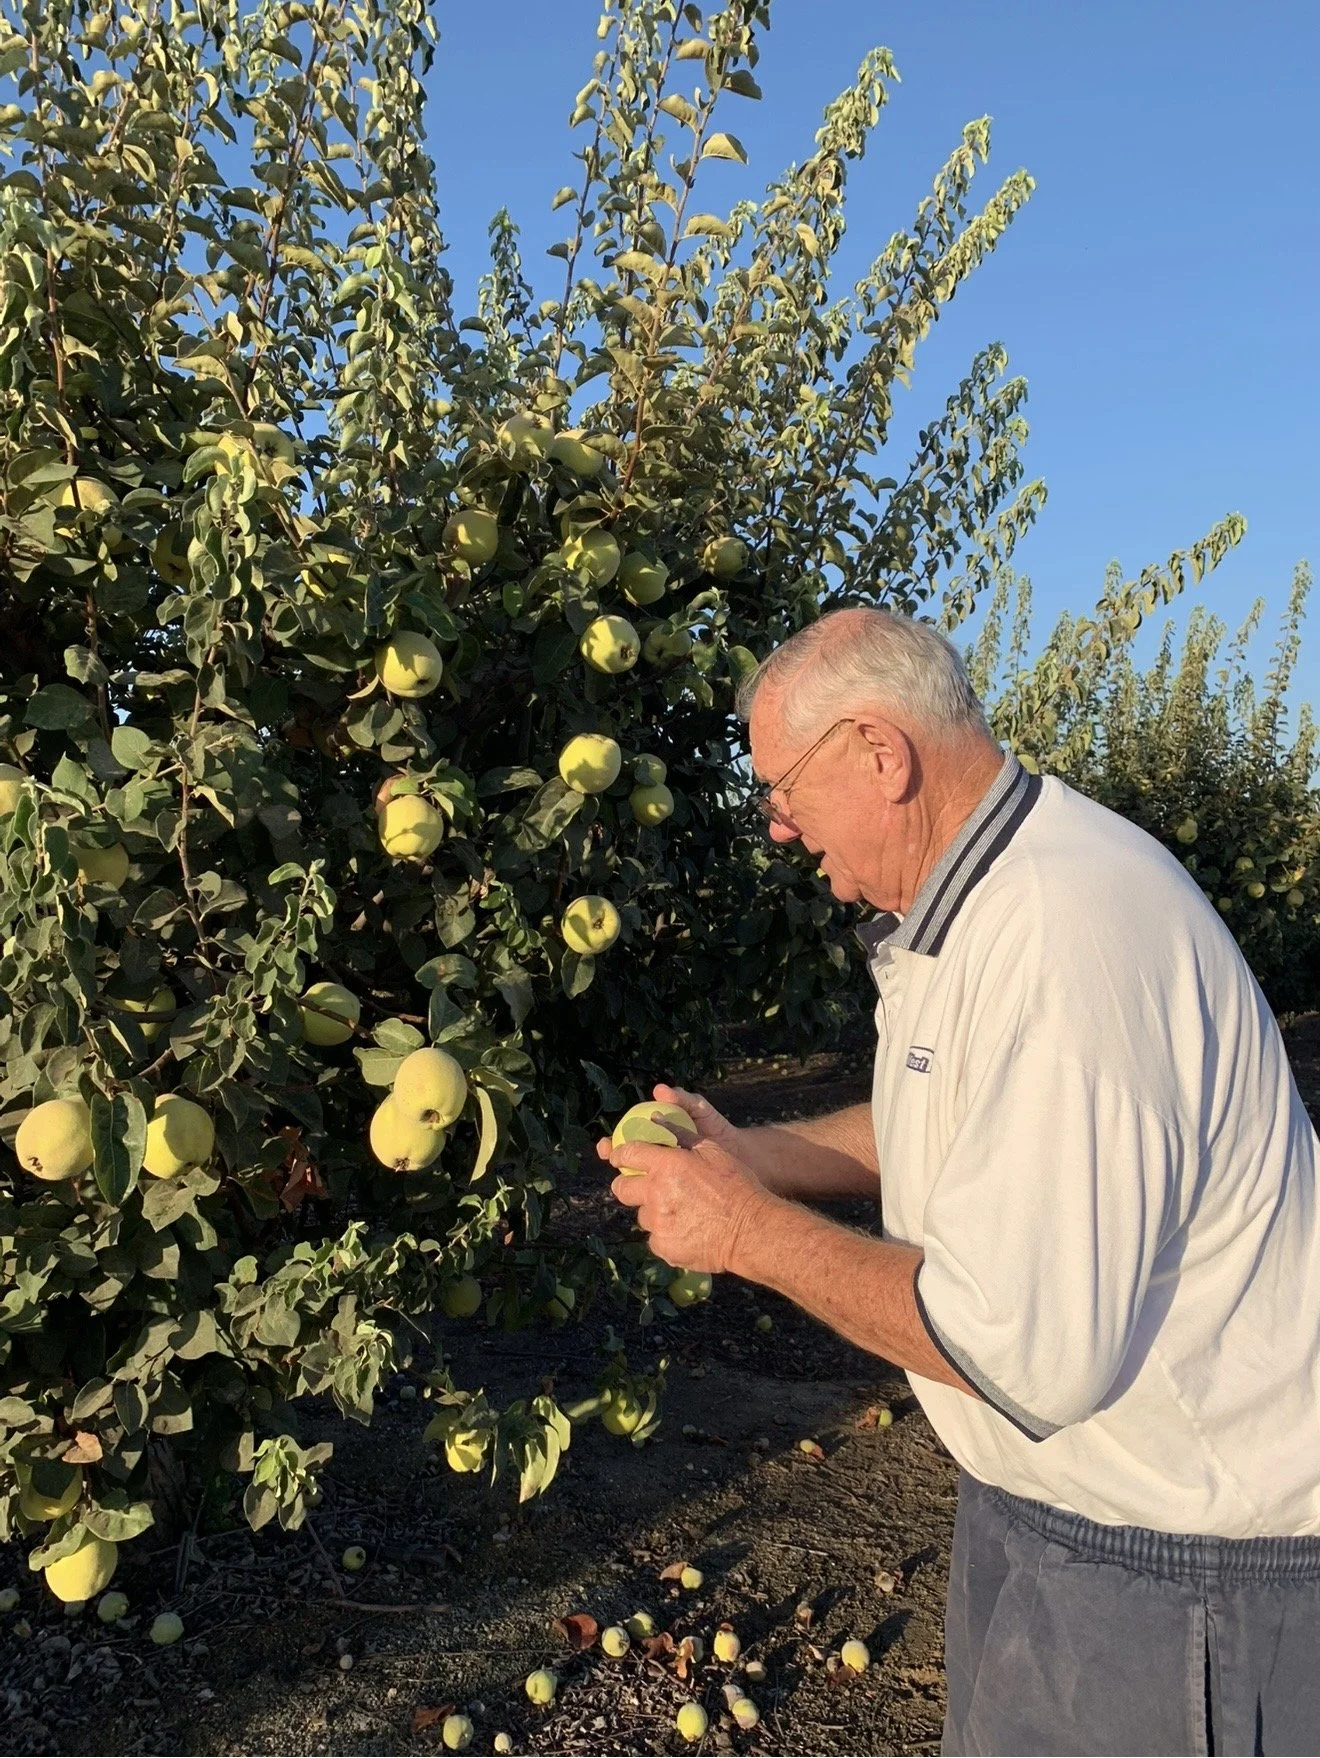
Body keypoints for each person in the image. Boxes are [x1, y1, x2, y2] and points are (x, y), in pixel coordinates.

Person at [599, 606, 1320, 1757]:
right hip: (1051, 1516)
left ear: (881, 755)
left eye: (783, 791)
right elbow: (957, 1117)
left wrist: (745, 1231)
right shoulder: (975, 908)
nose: (777, 830)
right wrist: (755, 1156)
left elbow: (1019, 1343)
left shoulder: (1063, 931)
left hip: (1190, 1572)